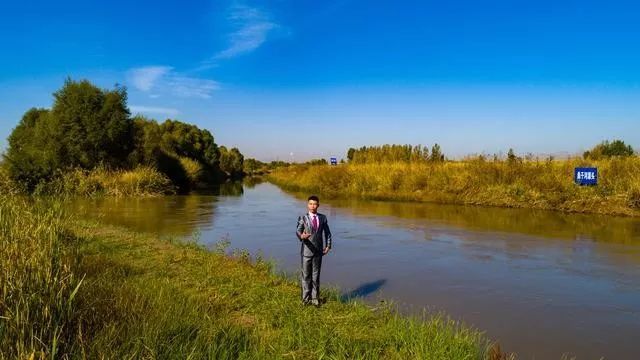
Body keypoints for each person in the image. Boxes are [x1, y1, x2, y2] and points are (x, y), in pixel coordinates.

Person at [296, 195, 332, 307]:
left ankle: (315, 299)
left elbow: (328, 233)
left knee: (316, 276)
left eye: (315, 204)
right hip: (306, 251)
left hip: (318, 252)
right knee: (306, 276)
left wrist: (328, 246)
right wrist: (302, 236)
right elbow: (298, 231)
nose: (312, 206)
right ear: (307, 205)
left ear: (318, 205)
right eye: (310, 204)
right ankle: (305, 299)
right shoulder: (303, 218)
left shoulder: (323, 218)